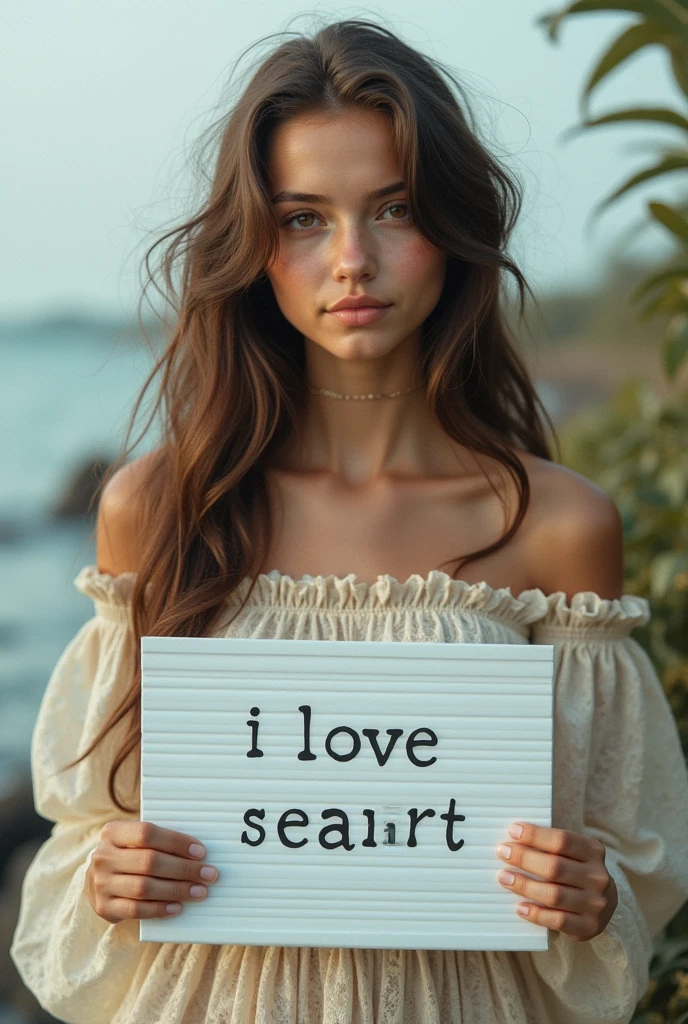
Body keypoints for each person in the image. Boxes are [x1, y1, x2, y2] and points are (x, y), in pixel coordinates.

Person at [10, 17, 688, 1024]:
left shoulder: (557, 526)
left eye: (394, 208)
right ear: (251, 242)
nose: (352, 260)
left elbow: (632, 871)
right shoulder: (155, 511)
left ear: (453, 229)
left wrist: (593, 898)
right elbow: (83, 841)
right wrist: (108, 878)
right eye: (302, 218)